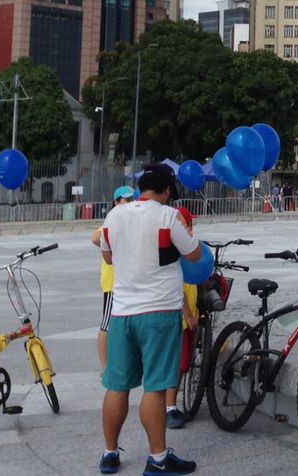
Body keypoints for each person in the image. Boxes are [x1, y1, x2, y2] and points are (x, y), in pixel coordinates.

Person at [99, 163, 201, 475]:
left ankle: (109, 454)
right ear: (167, 190)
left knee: (117, 387)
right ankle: (158, 458)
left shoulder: (115, 215)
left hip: (122, 313)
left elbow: (107, 256)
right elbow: (194, 254)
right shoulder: (168, 216)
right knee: (155, 387)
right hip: (159, 312)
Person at [91, 186, 135, 372]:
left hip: (126, 279)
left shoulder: (128, 220)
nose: (130, 203)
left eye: (132, 199)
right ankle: (105, 366)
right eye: (126, 200)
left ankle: (120, 362)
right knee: (107, 323)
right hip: (113, 281)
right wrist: (113, 250)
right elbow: (96, 237)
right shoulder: (113, 219)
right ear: (116, 202)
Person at [164, 207, 199, 430]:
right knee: (178, 364)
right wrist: (189, 315)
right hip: (181, 319)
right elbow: (179, 288)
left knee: (179, 363)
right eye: (189, 224)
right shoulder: (178, 252)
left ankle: (168, 405)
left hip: (185, 318)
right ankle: (169, 408)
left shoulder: (183, 249)